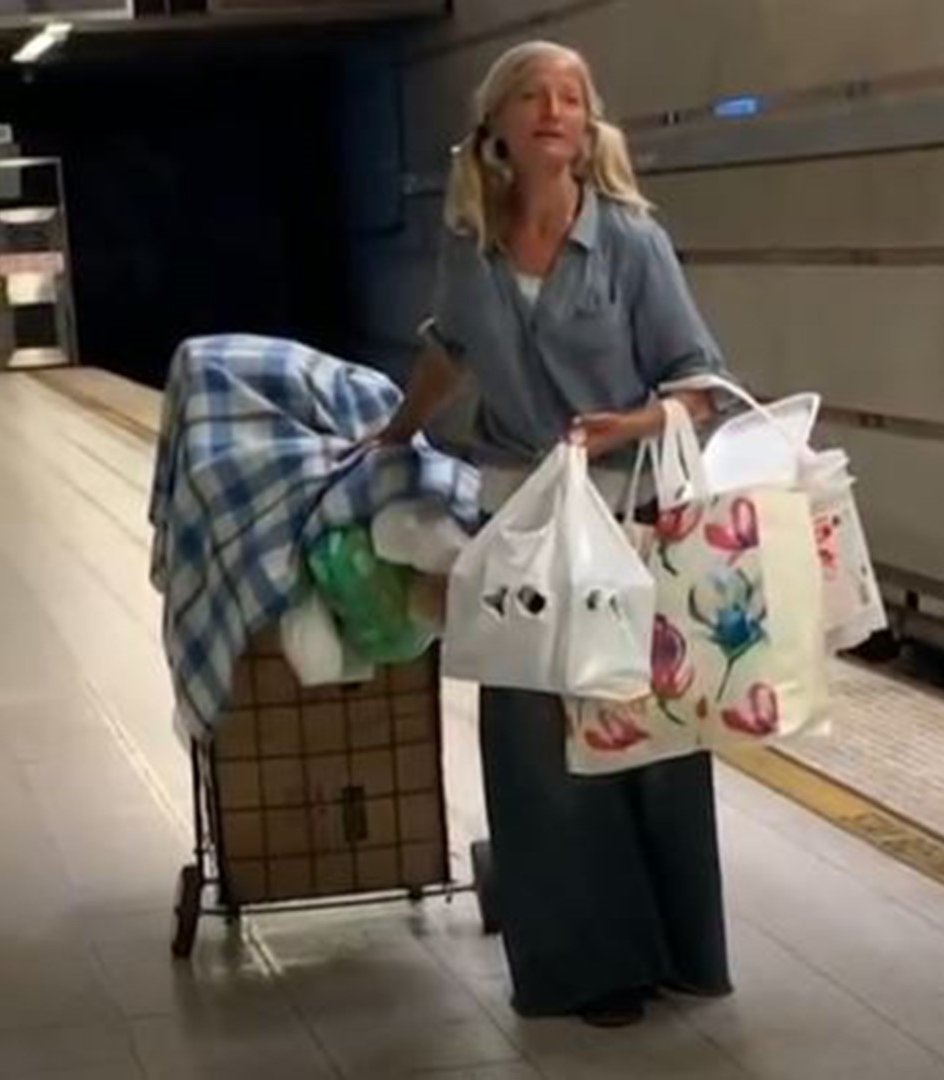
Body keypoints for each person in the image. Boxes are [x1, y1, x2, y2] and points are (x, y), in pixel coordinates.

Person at [363, 40, 737, 1028]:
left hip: (621, 521)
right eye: (532, 94)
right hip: (516, 519)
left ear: (587, 125)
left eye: (571, 97)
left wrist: (630, 423)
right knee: (534, 750)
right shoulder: (469, 240)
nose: (553, 110)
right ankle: (584, 966)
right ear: (496, 125)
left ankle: (673, 951)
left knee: (638, 736)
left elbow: (697, 385)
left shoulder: (630, 242)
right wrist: (394, 431)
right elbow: (450, 350)